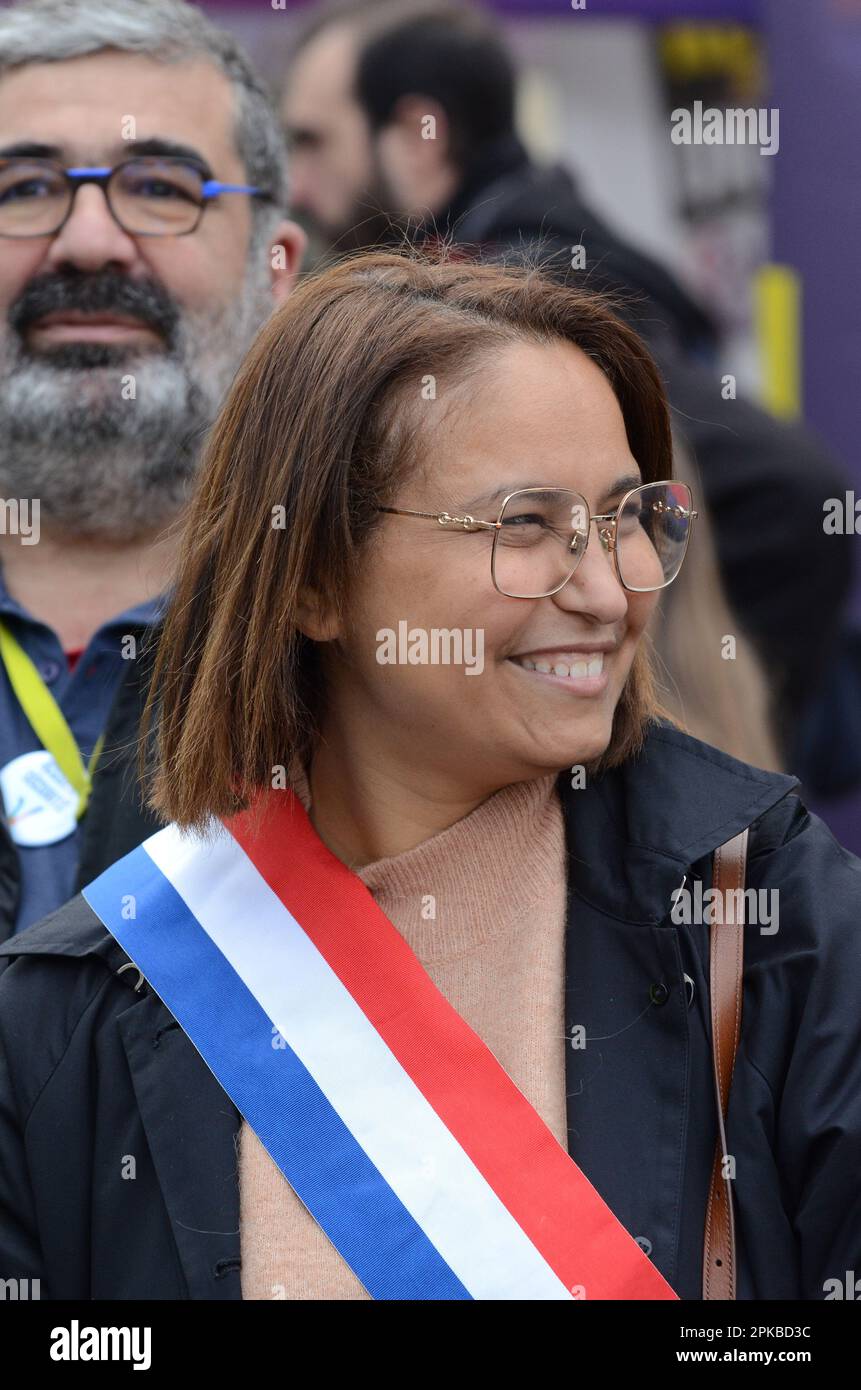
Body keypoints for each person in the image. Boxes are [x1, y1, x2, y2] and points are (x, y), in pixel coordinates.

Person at [1, 251, 859, 1301]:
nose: (605, 591)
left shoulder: (766, 916)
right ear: (312, 575)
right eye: (525, 526)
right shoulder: (71, 1011)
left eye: (628, 518)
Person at [281, 0, 855, 790]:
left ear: (421, 136)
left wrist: (668, 717)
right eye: (523, 522)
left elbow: (788, 490)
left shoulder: (530, 295)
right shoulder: (523, 260)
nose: (296, 185)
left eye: (313, 142)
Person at [0, 0, 305, 939]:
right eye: (22, 190)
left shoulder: (376, 638)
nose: (89, 241)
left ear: (275, 269)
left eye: (163, 189)